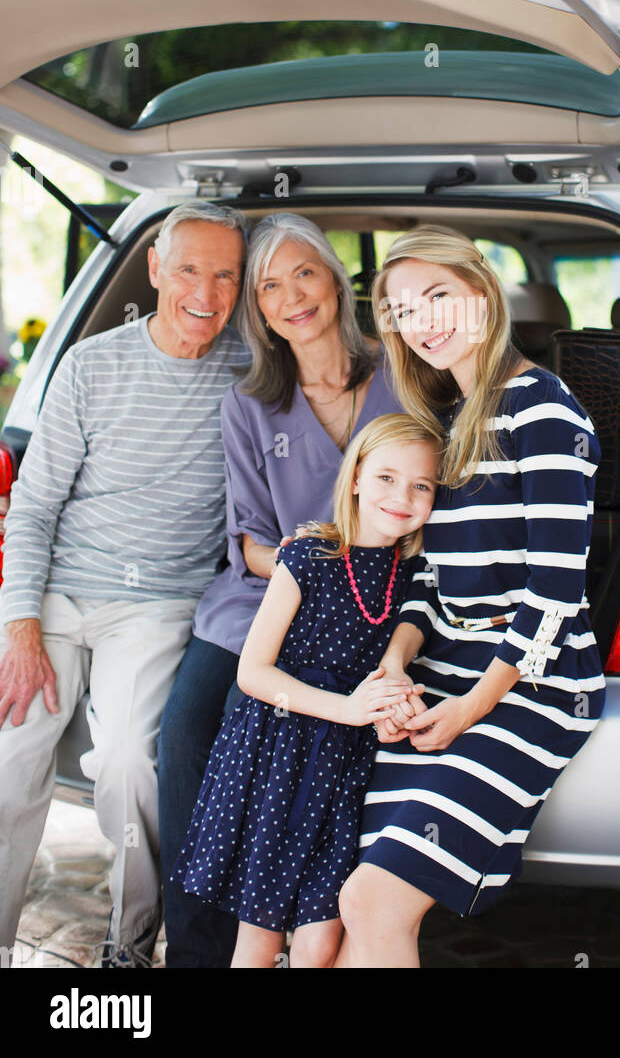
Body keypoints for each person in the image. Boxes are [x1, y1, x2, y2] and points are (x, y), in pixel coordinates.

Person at [335, 225, 606, 968]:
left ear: (483, 292)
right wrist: (395, 662)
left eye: (439, 296)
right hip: (442, 674)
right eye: (402, 309)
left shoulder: (540, 411)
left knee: (373, 899)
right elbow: (428, 580)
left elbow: (554, 592)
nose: (424, 322)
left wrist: (471, 707)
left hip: (532, 686)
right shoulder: (445, 422)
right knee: (347, 893)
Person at [0, 202, 249, 968]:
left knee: (130, 766)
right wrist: (20, 629)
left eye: (226, 275)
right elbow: (33, 508)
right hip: (56, 596)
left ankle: (131, 942)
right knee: (10, 752)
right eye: (188, 270)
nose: (205, 291)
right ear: (154, 269)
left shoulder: (250, 374)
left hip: (157, 604)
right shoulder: (89, 365)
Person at [158, 213, 400, 968]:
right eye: (269, 286)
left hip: (364, 607)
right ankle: (200, 951)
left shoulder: (399, 375)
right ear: (259, 310)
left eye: (305, 273)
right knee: (185, 734)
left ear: (334, 280)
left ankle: (278, 938)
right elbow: (253, 539)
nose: (292, 296)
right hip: (260, 599)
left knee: (252, 722)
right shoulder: (250, 402)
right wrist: (304, 566)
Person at [171, 412, 440, 968]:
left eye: (422, 485)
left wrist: (392, 698)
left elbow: (408, 640)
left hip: (342, 770)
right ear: (358, 476)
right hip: (276, 759)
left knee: (320, 941)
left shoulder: (413, 575)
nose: (403, 495)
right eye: (387, 477)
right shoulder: (307, 558)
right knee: (261, 938)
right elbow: (253, 672)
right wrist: (346, 708)